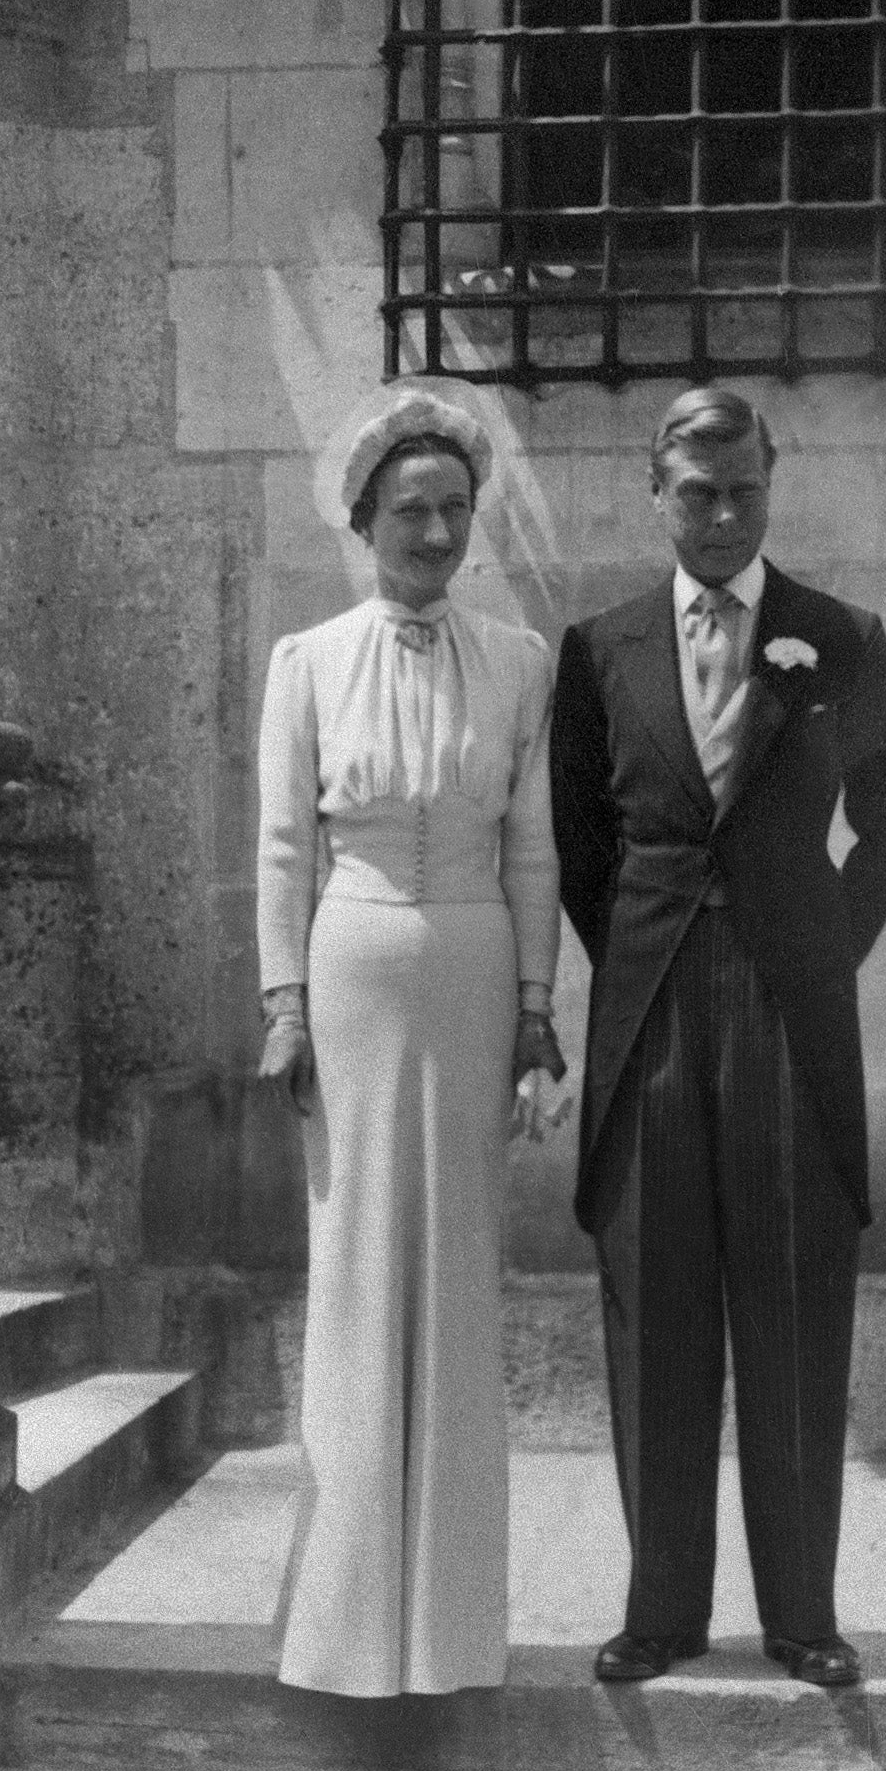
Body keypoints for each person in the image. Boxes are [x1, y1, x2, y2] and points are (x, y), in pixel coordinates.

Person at [548, 385, 886, 1691]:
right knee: (654, 1302)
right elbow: (583, 853)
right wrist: (648, 962)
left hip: (787, 1018)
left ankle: (803, 1617)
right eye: (695, 492)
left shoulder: (841, 639)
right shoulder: (598, 652)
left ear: (774, 484)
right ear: (652, 491)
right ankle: (661, 1613)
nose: (719, 515)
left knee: (788, 1300)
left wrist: (817, 952)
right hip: (649, 1012)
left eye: (742, 491)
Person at [253, 388, 570, 1698]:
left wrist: (543, 1008)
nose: (434, 531)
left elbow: (534, 844)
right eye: (410, 509)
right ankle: (343, 1634)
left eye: (453, 509)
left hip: (478, 972)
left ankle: (444, 1639)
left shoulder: (520, 662)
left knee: (453, 1276)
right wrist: (281, 1003)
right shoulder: (307, 661)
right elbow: (281, 845)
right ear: (367, 518)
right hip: (352, 971)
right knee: (356, 1272)